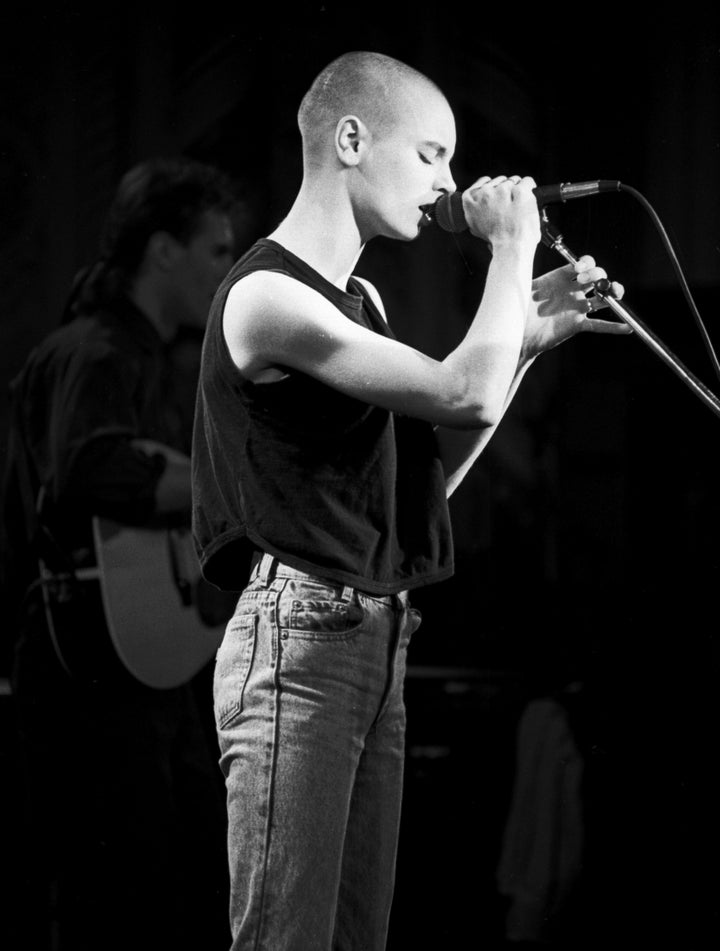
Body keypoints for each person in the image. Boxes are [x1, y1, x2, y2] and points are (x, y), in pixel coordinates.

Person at [191, 51, 629, 950]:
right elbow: (460, 390)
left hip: (373, 636)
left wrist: (528, 346)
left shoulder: (365, 299)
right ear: (352, 139)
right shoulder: (266, 296)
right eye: (433, 154)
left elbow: (416, 492)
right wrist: (511, 248)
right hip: (298, 640)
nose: (450, 183)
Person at [1, 157, 240, 951]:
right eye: (215, 249)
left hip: (136, 666)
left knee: (168, 880)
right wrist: (220, 485)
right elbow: (92, 468)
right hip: (89, 675)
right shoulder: (96, 352)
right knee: (117, 896)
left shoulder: (150, 361)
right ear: (163, 251)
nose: (227, 270)